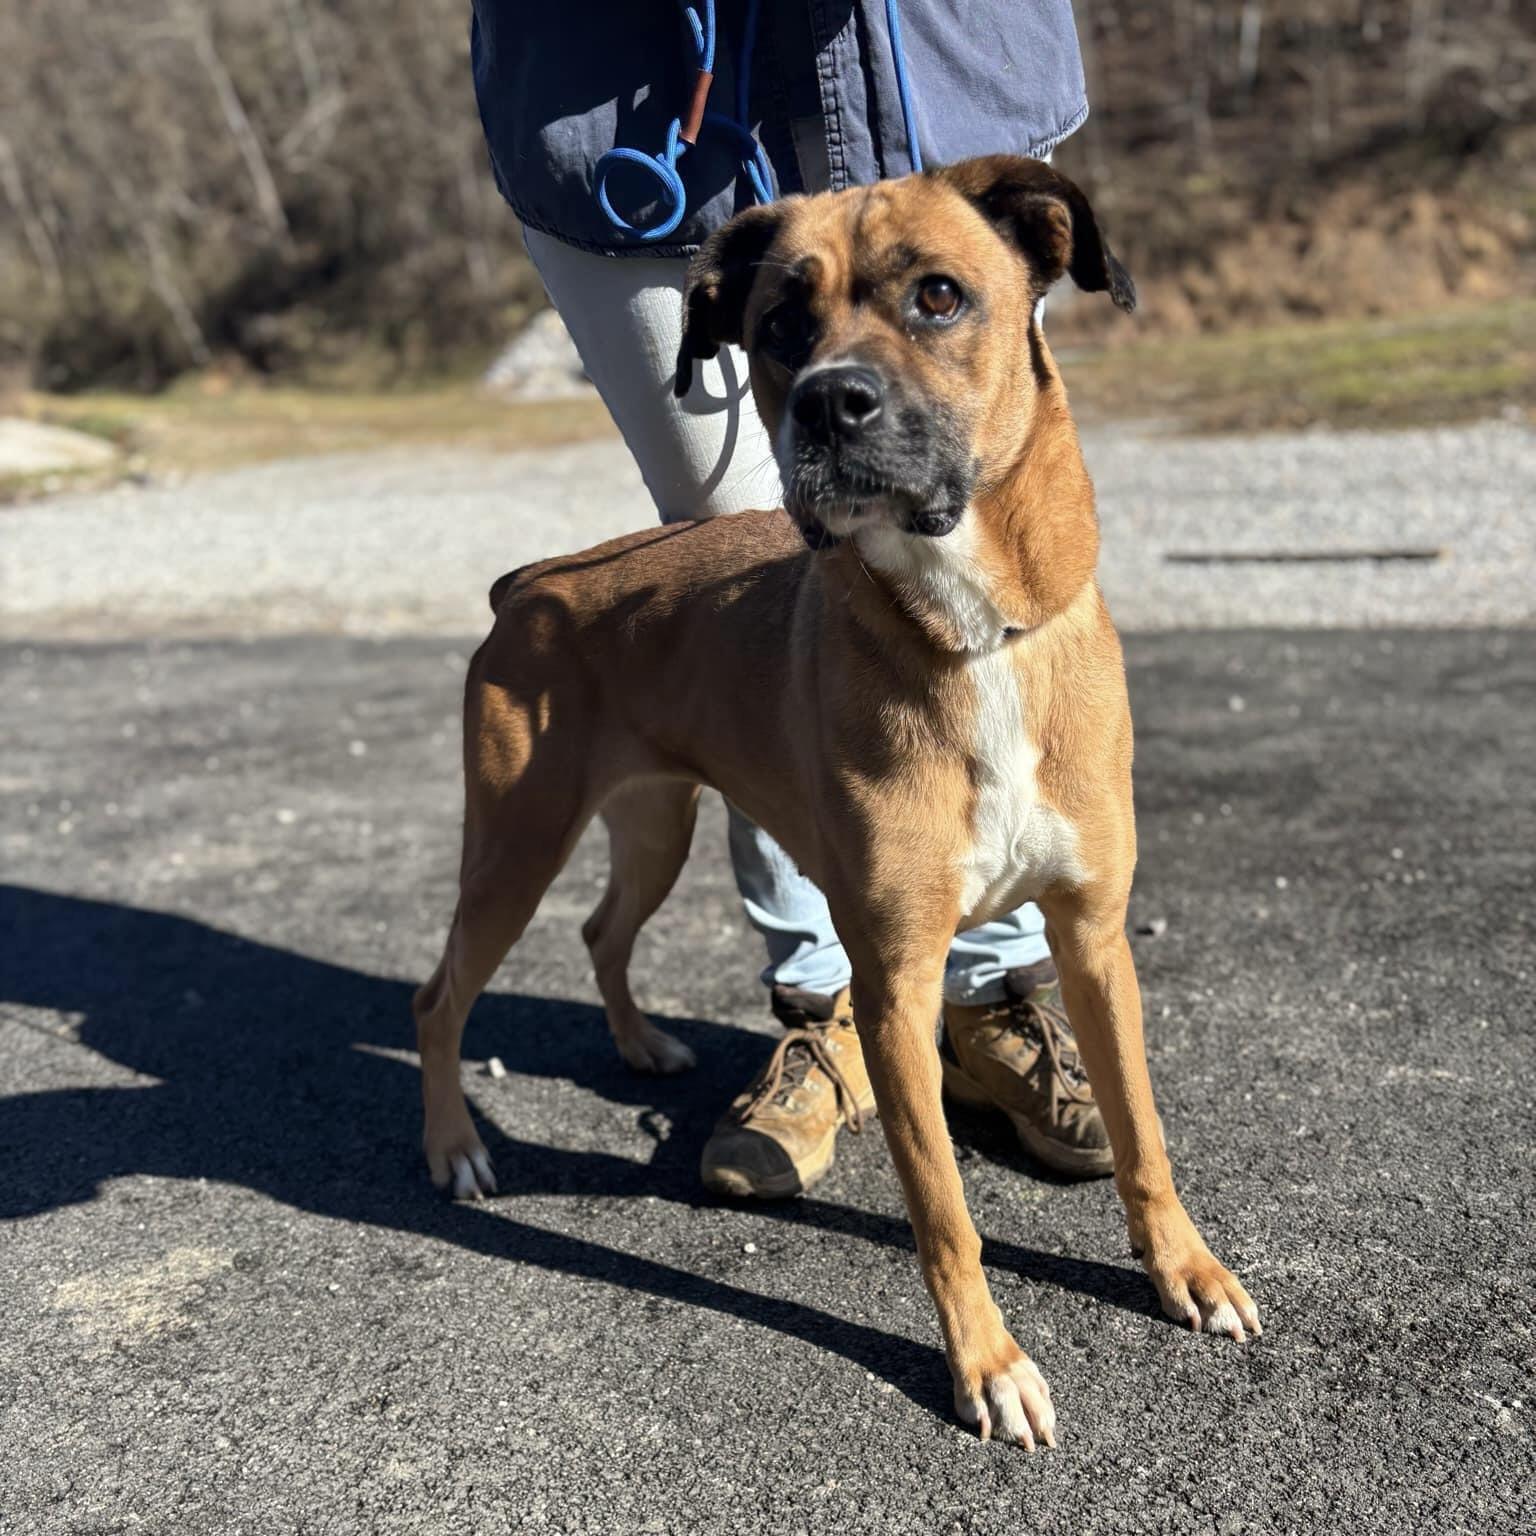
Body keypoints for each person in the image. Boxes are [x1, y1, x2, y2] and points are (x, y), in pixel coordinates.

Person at [468, 0, 1111, 1196]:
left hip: (940, 55)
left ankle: (992, 990)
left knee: (988, 545)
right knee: (747, 568)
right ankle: (827, 995)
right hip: (627, 99)